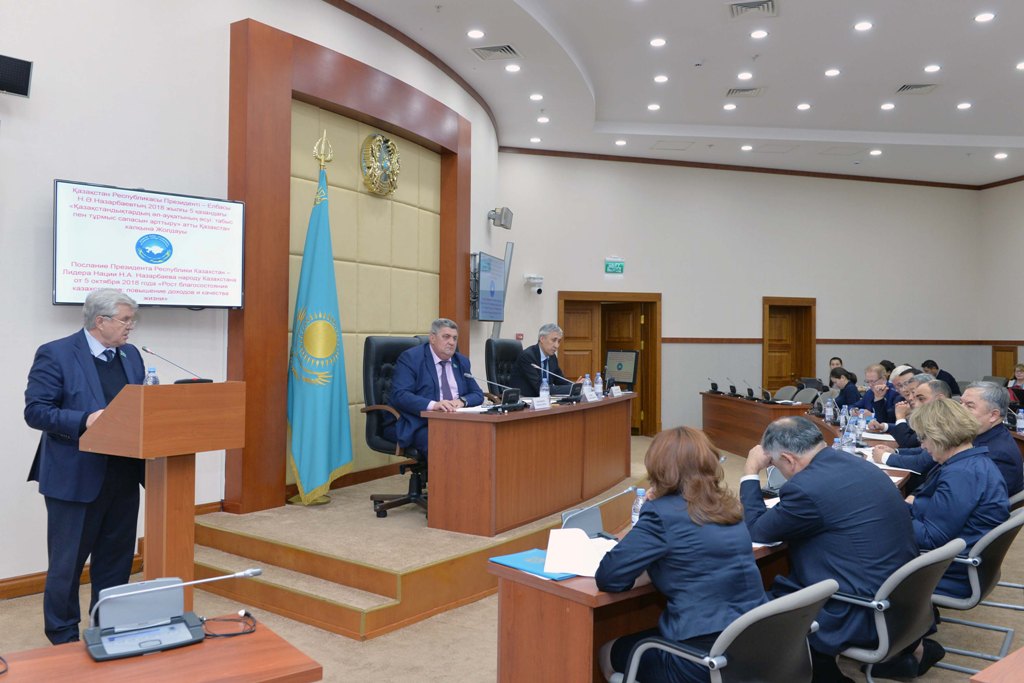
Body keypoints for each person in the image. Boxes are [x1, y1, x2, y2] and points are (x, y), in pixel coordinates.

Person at [740, 417, 917, 682]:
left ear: (788, 459)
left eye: (775, 464)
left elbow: (757, 530)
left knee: (752, 607)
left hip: (858, 608)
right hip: (901, 596)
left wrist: (751, 471)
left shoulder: (805, 488)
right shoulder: (857, 463)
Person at [24, 288, 146, 644]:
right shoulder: (57, 353)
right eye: (125, 320)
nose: (130, 326)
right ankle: (63, 636)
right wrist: (85, 420)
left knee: (116, 561)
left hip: (124, 475)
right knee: (68, 566)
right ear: (100, 321)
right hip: (75, 477)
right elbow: (36, 411)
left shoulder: (132, 355)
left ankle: (108, 629)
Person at [596, 427, 767, 683]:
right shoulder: (729, 506)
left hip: (701, 659)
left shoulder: (661, 513)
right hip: (755, 644)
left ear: (658, 469)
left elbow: (609, 576)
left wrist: (645, 515)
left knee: (607, 651)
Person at [906, 398, 1009, 598]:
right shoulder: (972, 462)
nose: (922, 445)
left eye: (923, 437)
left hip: (948, 572)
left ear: (939, 435)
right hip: (957, 561)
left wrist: (892, 512)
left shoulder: (962, 474)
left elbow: (930, 539)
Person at [873, 382, 1023, 497]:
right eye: (961, 403)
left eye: (969, 406)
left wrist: (915, 499)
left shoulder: (997, 453)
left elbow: (962, 500)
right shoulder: (977, 434)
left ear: (993, 415)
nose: (960, 409)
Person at [387, 318, 484, 456]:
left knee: (482, 438)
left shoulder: (461, 361)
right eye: (446, 337)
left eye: (455, 338)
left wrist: (461, 401)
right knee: (443, 443)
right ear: (432, 338)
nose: (452, 342)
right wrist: (434, 405)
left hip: (457, 420)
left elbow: (477, 394)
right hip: (421, 422)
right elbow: (400, 395)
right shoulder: (411, 358)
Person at [509, 323, 572, 396]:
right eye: (553, 340)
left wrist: (575, 386)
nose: (556, 346)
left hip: (544, 400)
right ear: (542, 339)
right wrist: (570, 388)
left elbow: (560, 380)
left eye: (559, 341)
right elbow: (540, 388)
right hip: (525, 399)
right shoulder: (528, 356)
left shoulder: (552, 357)